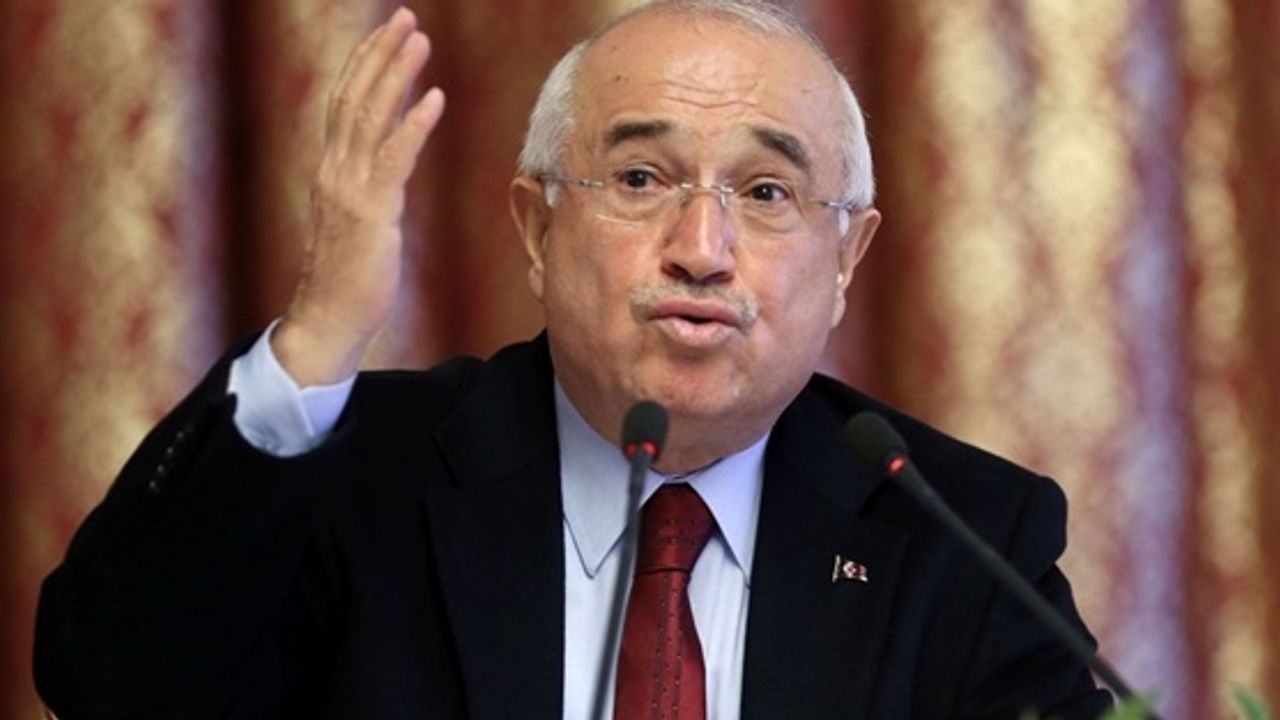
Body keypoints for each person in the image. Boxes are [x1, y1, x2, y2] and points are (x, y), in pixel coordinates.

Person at [34, 1, 1112, 718]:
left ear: (843, 261)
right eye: (640, 180)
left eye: (765, 192)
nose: (701, 249)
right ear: (537, 229)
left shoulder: (961, 535)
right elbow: (114, 687)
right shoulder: (358, 479)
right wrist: (315, 338)